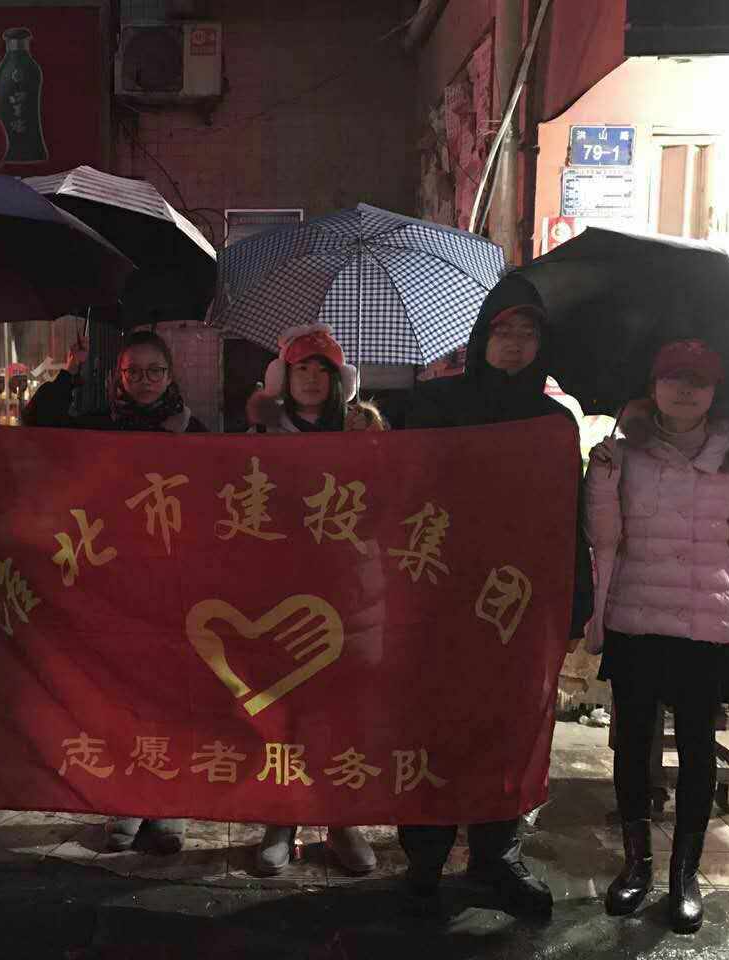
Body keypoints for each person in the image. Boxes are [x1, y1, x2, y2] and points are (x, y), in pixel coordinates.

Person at [397, 294, 594, 919]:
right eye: (503, 330)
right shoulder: (435, 403)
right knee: (433, 721)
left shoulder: (554, 422)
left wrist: (577, 602)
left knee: (509, 726)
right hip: (439, 588)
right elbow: (399, 484)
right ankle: (424, 853)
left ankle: (496, 855)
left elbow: (569, 515)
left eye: (527, 332)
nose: (514, 343)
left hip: (518, 598)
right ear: (482, 337)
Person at [585, 339, 729, 934]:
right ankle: (636, 865)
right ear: (653, 385)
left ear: (715, 392)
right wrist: (601, 479)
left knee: (696, 749)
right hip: (635, 618)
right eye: (673, 378)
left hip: (706, 624)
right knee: (631, 746)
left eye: (698, 381)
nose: (684, 390)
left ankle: (684, 874)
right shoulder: (624, 454)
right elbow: (603, 538)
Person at [25, 328, 205, 854]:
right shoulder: (97, 426)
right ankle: (126, 802)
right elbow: (37, 424)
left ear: (171, 376)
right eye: (134, 372)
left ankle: (169, 809)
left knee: (170, 699)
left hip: (173, 588)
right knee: (119, 697)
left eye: (155, 371)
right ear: (117, 377)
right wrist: (70, 372)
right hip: (112, 587)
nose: (145, 381)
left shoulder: (197, 432)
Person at [244, 323, 378, 877]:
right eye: (302, 369)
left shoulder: (363, 433)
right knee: (286, 708)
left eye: (322, 370)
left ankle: (342, 820)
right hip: (278, 589)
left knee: (341, 710)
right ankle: (283, 819)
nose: (312, 379)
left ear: (339, 380)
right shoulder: (261, 433)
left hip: (346, 589)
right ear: (284, 377)